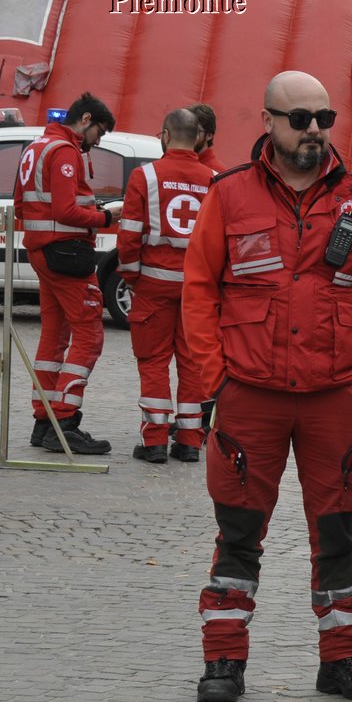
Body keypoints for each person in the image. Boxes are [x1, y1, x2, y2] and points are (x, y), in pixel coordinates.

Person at [181, 71, 352, 702]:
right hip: (250, 394)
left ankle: (342, 658)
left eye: (323, 119)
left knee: (337, 530)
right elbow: (199, 291)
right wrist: (213, 380)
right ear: (268, 121)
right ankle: (223, 659)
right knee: (238, 529)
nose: (313, 130)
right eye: (299, 118)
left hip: (336, 396)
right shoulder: (228, 197)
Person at [17, 92, 118, 455]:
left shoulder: (36, 147)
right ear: (86, 119)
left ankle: (44, 421)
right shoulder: (64, 151)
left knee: (54, 336)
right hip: (66, 253)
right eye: (100, 133)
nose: (98, 141)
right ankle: (64, 422)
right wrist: (106, 218)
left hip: (42, 250)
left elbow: (20, 204)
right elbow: (66, 210)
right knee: (89, 337)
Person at [116, 108, 214, 464]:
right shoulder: (214, 179)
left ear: (165, 135)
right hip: (196, 290)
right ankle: (189, 440)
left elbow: (128, 237)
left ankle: (154, 441)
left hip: (154, 284)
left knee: (153, 361)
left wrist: (131, 277)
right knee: (193, 363)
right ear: (198, 137)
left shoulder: (146, 176)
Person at [188, 103, 226, 174]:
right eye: (186, 129)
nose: (188, 135)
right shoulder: (180, 163)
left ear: (209, 136)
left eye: (194, 131)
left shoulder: (218, 172)